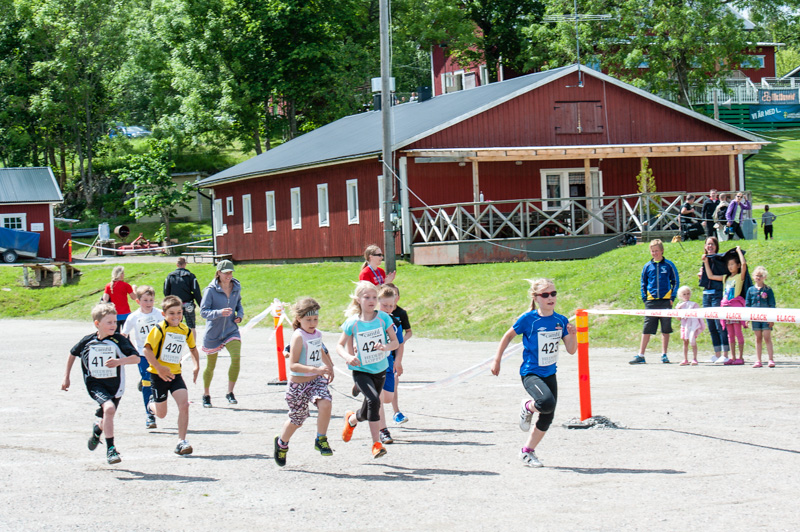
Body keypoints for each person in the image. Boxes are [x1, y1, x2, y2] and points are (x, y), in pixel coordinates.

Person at [491, 278, 577, 468]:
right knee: (545, 403)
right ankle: (528, 406)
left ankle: (527, 452)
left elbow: (571, 350)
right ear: (536, 298)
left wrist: (573, 335)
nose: (550, 298)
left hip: (549, 373)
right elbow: (507, 336)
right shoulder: (529, 319)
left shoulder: (560, 320)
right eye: (545, 295)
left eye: (553, 293)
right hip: (531, 372)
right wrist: (497, 359)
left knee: (548, 414)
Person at [61, 303, 140, 464]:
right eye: (109, 322)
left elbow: (136, 358)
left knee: (107, 414)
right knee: (109, 409)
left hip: (116, 386)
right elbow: (72, 353)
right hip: (95, 384)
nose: (114, 325)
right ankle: (111, 450)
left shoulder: (119, 340)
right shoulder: (88, 340)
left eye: (115, 322)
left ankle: (98, 429)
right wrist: (66, 377)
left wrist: (119, 361)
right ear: (97, 324)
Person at [337, 281, 399, 459]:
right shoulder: (352, 323)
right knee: (374, 400)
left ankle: (352, 420)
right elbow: (339, 346)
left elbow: (395, 342)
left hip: (379, 369)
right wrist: (348, 357)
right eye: (367, 297)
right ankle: (376, 444)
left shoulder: (383, 318)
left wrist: (386, 347)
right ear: (358, 300)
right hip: (361, 370)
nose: (371, 301)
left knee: (368, 408)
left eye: (374, 297)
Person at [274, 298, 335, 467]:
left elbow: (320, 349)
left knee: (326, 403)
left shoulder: (317, 333)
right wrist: (316, 369)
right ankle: (282, 443)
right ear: (299, 319)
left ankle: (321, 438)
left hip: (315, 381)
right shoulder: (298, 337)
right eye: (308, 320)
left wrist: (330, 366)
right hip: (298, 385)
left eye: (315, 319)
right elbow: (293, 365)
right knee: (297, 419)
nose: (312, 323)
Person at [143, 295, 200, 455]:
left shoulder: (185, 330)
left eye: (179, 313)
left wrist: (196, 366)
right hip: (157, 375)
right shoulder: (159, 329)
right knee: (161, 414)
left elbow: (193, 349)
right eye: (172, 313)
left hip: (175, 375)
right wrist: (159, 367)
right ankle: (151, 403)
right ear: (164, 314)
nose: (176, 317)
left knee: (184, 405)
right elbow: (146, 350)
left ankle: (181, 441)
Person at [199, 260, 243, 407]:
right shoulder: (210, 290)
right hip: (213, 333)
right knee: (210, 366)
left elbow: (239, 305)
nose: (228, 276)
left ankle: (230, 392)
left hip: (231, 330)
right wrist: (219, 313)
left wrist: (240, 315)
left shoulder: (236, 287)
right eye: (226, 273)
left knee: (236, 357)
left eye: (230, 272)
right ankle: (206, 394)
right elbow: (203, 312)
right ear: (218, 273)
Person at [630, 239, 679, 365]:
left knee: (665, 329)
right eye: (652, 251)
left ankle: (664, 354)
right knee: (647, 328)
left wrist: (672, 297)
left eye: (657, 251)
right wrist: (645, 298)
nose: (655, 253)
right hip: (651, 302)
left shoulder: (668, 265)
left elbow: (675, 281)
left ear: (662, 251)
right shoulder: (647, 266)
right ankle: (641, 354)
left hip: (665, 301)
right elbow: (643, 283)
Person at [121, 285, 162, 429]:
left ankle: (147, 379)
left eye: (151, 299)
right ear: (138, 301)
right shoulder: (133, 317)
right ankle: (150, 415)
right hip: (142, 354)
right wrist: (129, 350)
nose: (149, 303)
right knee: (147, 384)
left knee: (159, 381)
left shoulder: (159, 314)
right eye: (145, 300)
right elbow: (124, 334)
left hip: (159, 354)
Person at [704, 246, 748, 365]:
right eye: (729, 265)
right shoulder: (726, 278)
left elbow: (744, 265)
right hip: (726, 308)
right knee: (730, 334)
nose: (730, 267)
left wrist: (739, 250)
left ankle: (740, 356)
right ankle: (732, 357)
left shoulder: (739, 277)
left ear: (737, 265)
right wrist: (706, 262)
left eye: (733, 264)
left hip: (735, 307)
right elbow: (711, 276)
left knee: (738, 332)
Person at [375, 285, 403, 444]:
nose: (388, 308)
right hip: (371, 366)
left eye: (391, 306)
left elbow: (399, 343)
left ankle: (353, 418)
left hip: (388, 362)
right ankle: (383, 430)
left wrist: (398, 361)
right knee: (377, 396)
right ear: (378, 302)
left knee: (387, 398)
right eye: (384, 305)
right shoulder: (371, 320)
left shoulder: (395, 322)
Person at [697, 237, 730, 364]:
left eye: (712, 244)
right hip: (706, 294)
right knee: (711, 326)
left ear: (716, 246)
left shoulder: (719, 260)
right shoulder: (705, 259)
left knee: (719, 324)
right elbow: (706, 279)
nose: (710, 246)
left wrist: (708, 269)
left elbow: (722, 277)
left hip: (717, 294)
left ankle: (725, 354)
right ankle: (717, 354)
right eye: (708, 244)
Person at [386, 282, 412, 425]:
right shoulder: (375, 316)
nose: (392, 298)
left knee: (394, 381)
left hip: (394, 352)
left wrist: (401, 342)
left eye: (394, 295)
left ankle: (396, 412)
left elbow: (408, 333)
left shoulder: (400, 315)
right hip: (377, 356)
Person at [164, 257, 203, 339]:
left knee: (175, 325)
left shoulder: (170, 276)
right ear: (185, 264)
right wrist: (201, 305)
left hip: (175, 305)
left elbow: (166, 291)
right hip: (188, 304)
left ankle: (174, 344)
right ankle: (193, 346)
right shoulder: (191, 276)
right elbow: (196, 292)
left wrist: (169, 303)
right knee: (191, 326)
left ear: (177, 265)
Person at [746, 266, 776, 368]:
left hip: (766, 318)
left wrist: (772, 318)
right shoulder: (750, 290)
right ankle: (758, 360)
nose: (758, 277)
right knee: (758, 338)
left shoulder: (768, 290)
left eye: (761, 276)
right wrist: (747, 318)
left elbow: (772, 304)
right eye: (757, 275)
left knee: (767, 338)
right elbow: (748, 305)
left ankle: (770, 359)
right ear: (754, 277)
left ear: (764, 277)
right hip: (755, 318)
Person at [101, 266, 137, 332]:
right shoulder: (126, 285)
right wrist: (134, 288)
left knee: (116, 334)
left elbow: (105, 299)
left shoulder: (108, 286)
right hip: (125, 313)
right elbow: (134, 297)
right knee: (125, 334)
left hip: (114, 314)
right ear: (121, 275)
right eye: (123, 273)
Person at [675, 286, 703, 366]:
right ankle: (685, 359)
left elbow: (698, 315)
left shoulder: (694, 305)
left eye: (688, 294)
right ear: (680, 296)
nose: (686, 296)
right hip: (684, 326)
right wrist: (678, 310)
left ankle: (694, 358)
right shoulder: (679, 306)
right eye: (684, 294)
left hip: (692, 326)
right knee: (685, 342)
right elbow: (678, 318)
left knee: (693, 342)